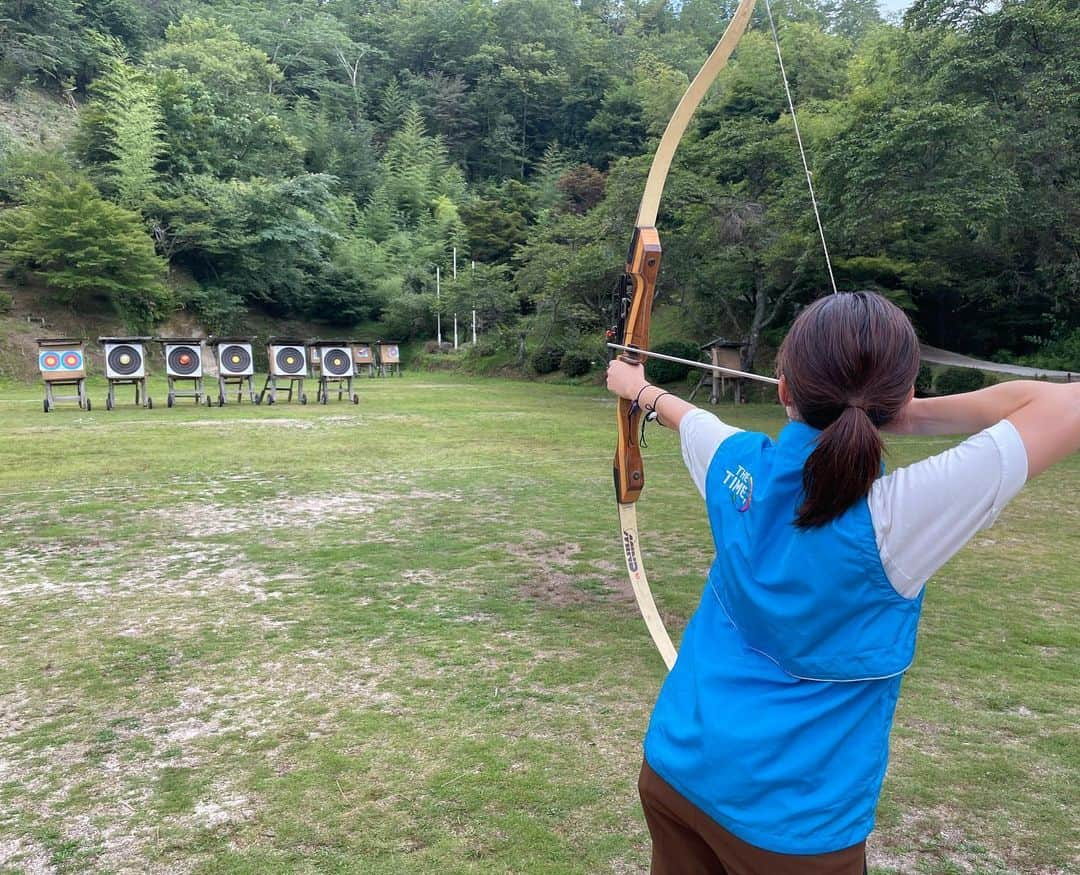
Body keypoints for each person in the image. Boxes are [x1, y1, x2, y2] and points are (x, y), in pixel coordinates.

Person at [605, 291, 1079, 875]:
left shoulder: (736, 464)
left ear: (782, 391)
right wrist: (905, 412)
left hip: (677, 771)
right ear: (900, 395)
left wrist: (638, 390)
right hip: (789, 828)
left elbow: (686, 416)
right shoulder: (898, 518)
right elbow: (1067, 405)